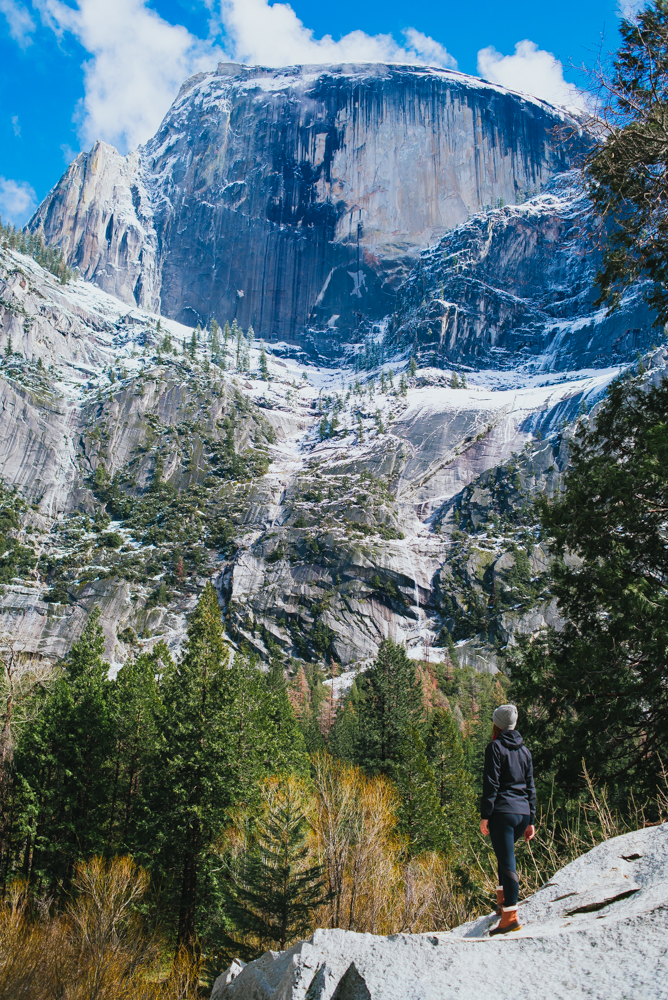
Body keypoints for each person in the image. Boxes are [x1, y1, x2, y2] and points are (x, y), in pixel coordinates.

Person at [480, 703, 536, 936]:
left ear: (497, 725)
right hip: (522, 813)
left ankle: (510, 917)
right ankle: (503, 903)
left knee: (507, 861)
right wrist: (531, 819)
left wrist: (485, 815)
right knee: (505, 857)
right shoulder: (524, 751)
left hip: (502, 812)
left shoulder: (495, 747)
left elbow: (491, 784)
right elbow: (530, 786)